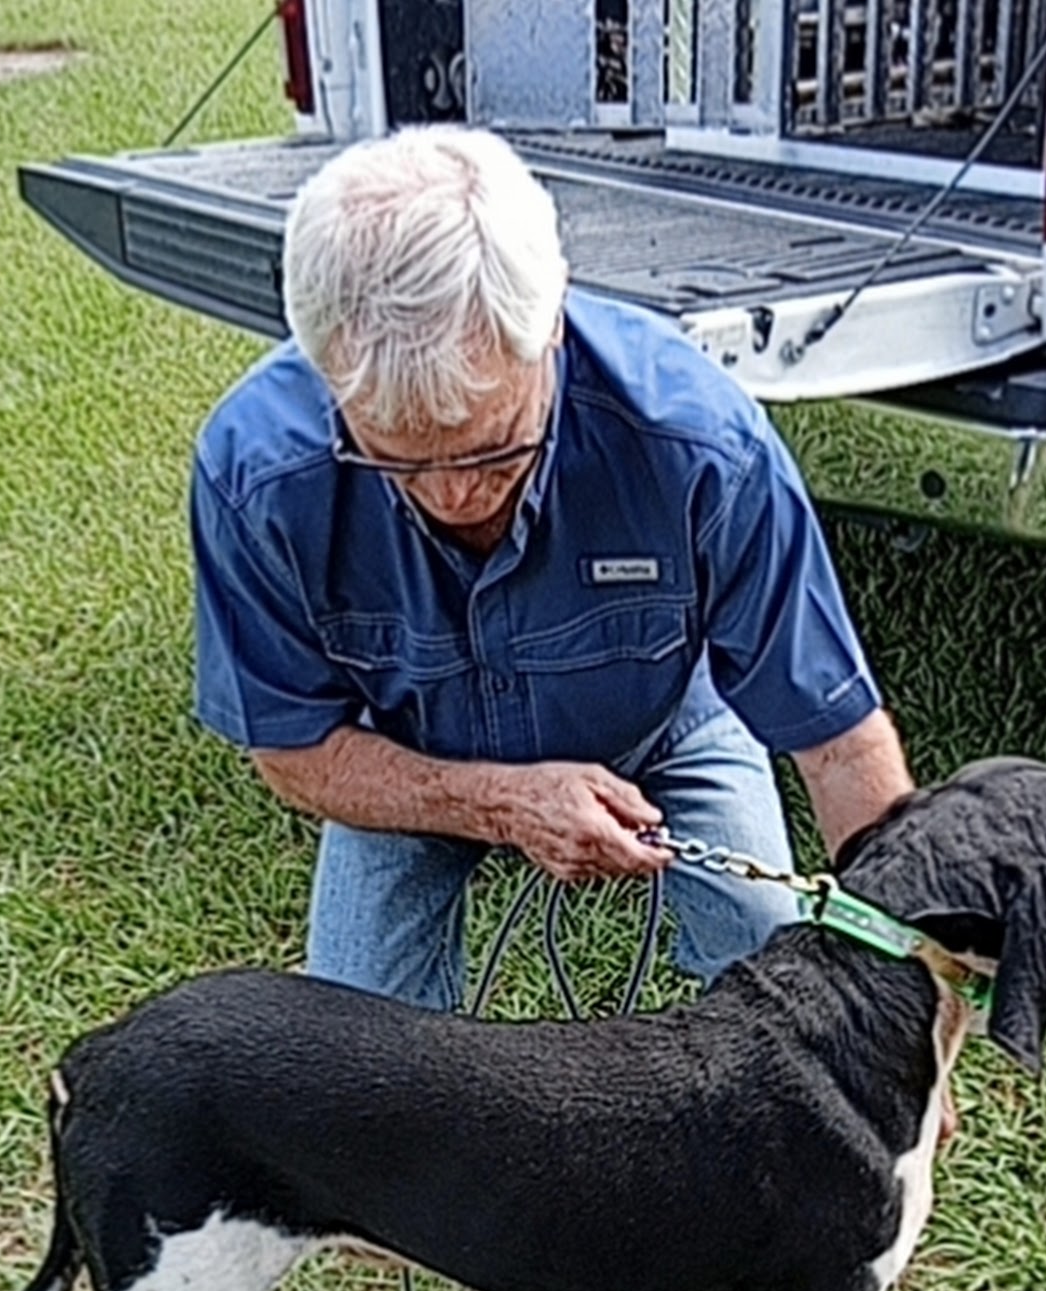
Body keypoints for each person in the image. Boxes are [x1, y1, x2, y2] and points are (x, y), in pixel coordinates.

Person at [190, 125, 915, 1012]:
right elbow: (296, 753)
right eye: (399, 460)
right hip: (408, 751)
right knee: (352, 1054)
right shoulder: (254, 471)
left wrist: (898, 1011)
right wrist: (498, 804)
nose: (455, 495)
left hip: (666, 727)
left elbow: (839, 741)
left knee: (770, 967)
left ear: (552, 327)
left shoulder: (698, 443)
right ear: (326, 371)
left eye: (495, 450)